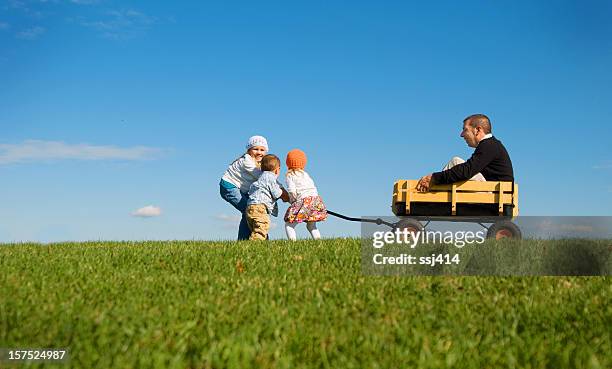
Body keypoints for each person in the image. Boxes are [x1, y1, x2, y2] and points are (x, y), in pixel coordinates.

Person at [416, 114, 514, 192]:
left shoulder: (489, 145)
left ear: (478, 130)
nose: (461, 134)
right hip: (494, 191)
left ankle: (430, 196)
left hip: (493, 194)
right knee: (458, 166)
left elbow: (466, 171)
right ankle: (433, 192)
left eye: (465, 130)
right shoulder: (491, 145)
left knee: (456, 161)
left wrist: (434, 178)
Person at [219, 135, 268, 240]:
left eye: (262, 150)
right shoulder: (247, 161)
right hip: (229, 187)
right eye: (256, 149)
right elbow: (265, 178)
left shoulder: (259, 164)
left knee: (248, 211)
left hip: (240, 189)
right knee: (249, 209)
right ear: (249, 150)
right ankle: (257, 238)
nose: (259, 152)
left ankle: (243, 240)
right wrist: (280, 190)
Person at [283, 149, 327, 241]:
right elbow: (313, 187)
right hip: (315, 200)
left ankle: (292, 243)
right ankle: (319, 242)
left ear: (288, 163)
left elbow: (292, 191)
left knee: (289, 224)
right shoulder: (305, 174)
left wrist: (292, 201)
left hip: (303, 201)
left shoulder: (290, 175)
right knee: (311, 226)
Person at [245, 154, 288, 240]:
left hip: (250, 208)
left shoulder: (261, 177)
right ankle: (252, 249)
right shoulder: (270, 178)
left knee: (258, 230)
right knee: (261, 230)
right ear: (277, 170)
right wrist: (282, 192)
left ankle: (261, 247)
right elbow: (276, 193)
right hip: (260, 208)